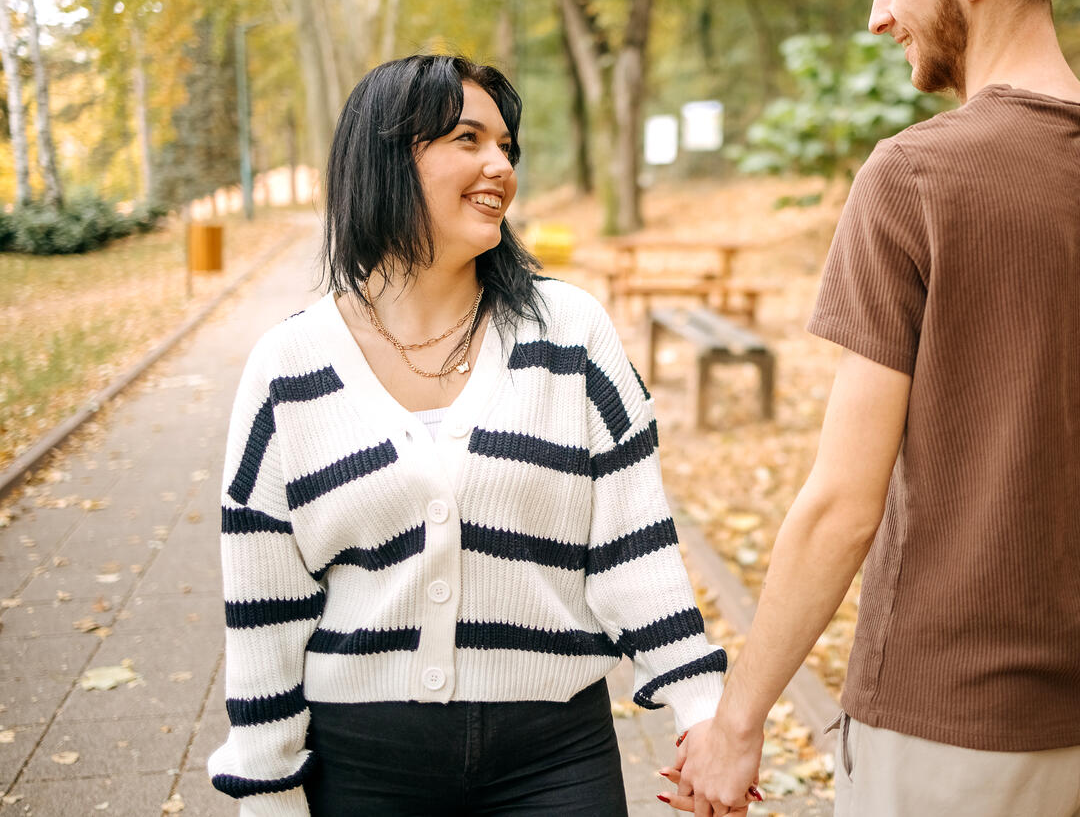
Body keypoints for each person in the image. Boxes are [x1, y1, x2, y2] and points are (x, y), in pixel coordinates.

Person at [666, 0, 1080, 815]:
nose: (875, 16)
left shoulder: (912, 177)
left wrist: (737, 722)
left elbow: (842, 504)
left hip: (941, 738)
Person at [207, 54, 727, 816]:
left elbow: (634, 546)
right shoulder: (288, 367)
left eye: (507, 147)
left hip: (557, 758)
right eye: (467, 139)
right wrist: (268, 790)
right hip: (361, 765)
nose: (500, 166)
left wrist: (702, 709)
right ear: (384, 159)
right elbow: (265, 609)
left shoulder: (572, 334)